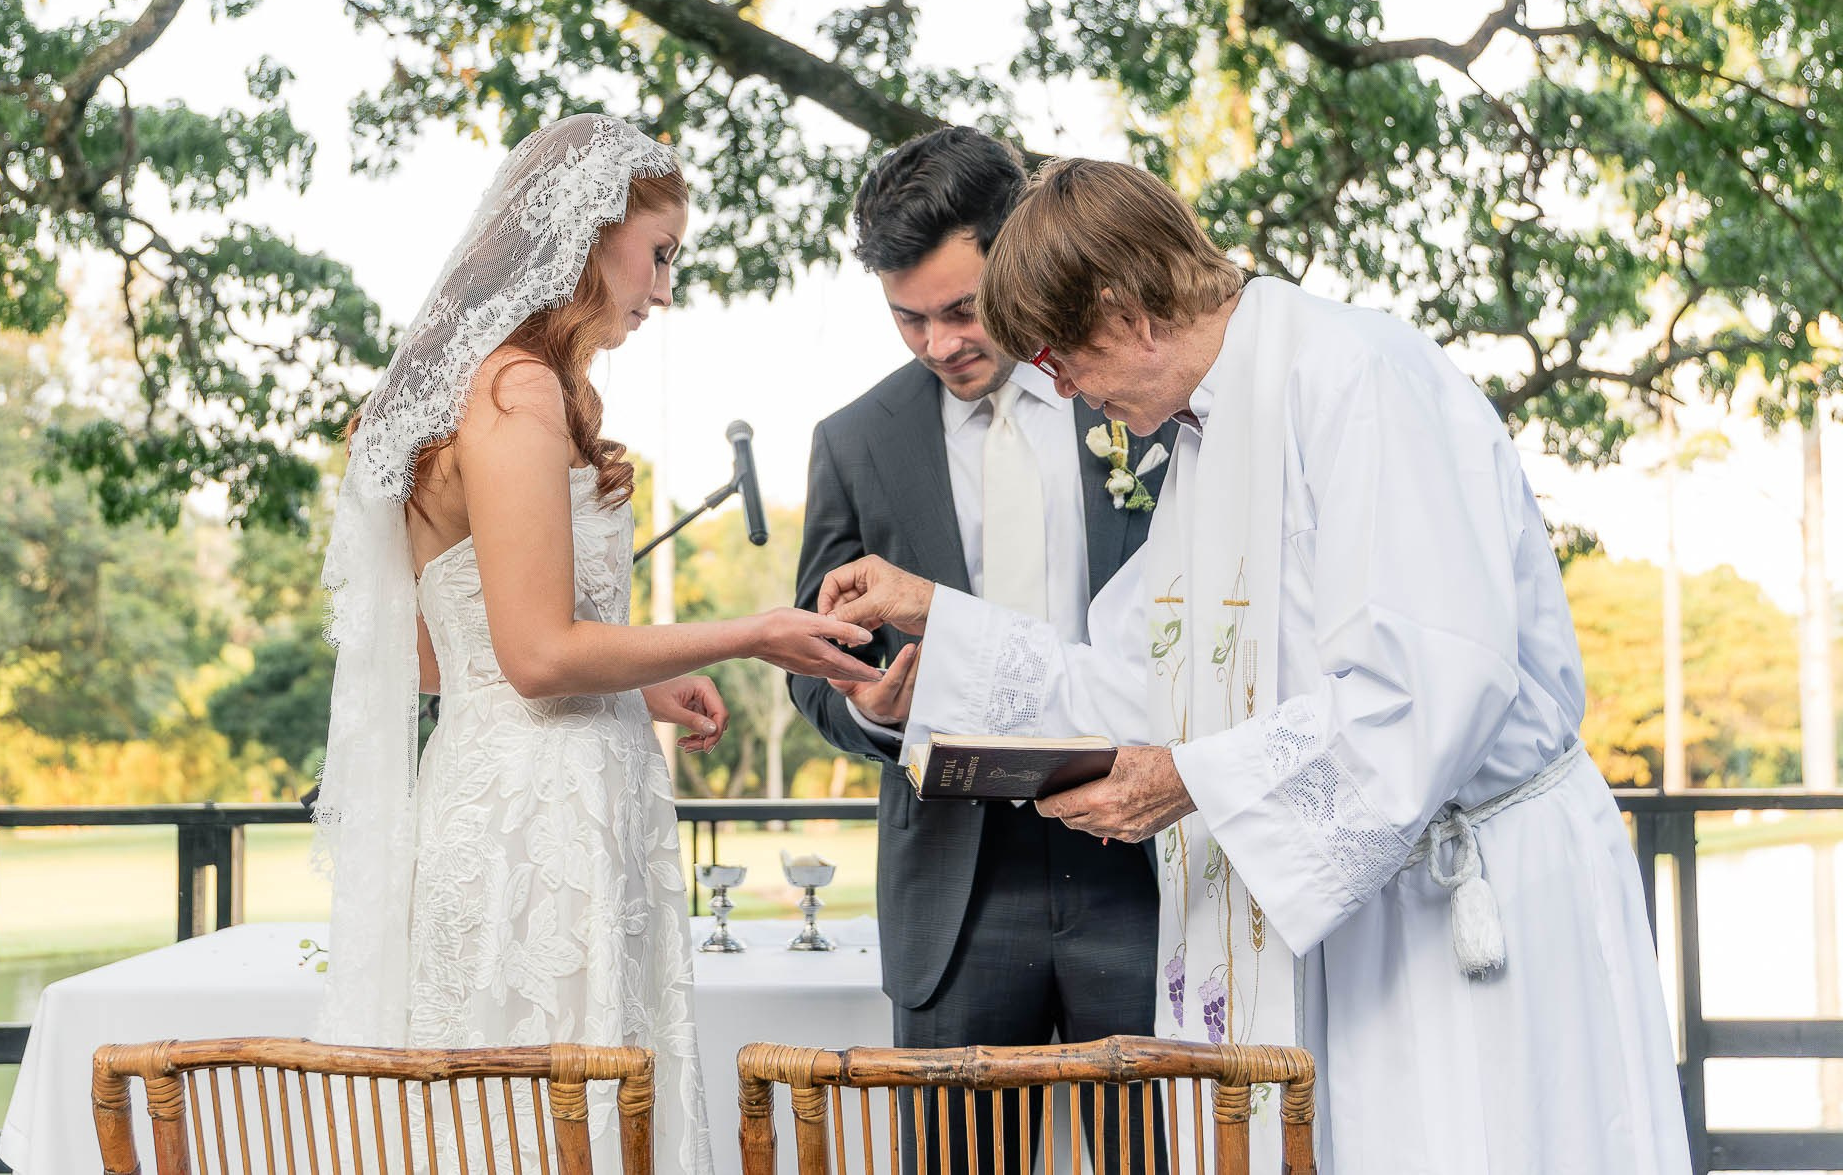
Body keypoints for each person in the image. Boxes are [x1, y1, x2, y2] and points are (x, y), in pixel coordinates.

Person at [820, 158, 1689, 1173]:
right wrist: (936, 621)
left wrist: (1189, 778)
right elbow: (1137, 678)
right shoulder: (1205, 435)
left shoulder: (1355, 378)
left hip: (1464, 900)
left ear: (1128, 312)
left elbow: (1425, 691)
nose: (1059, 389)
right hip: (1354, 923)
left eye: (1059, 358)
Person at [314, 114, 878, 1173]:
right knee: (554, 1116)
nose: (662, 288)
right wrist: (753, 631)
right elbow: (534, 658)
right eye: (658, 253)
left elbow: (447, 656)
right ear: (588, 232)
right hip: (542, 817)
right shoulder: (514, 388)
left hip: (515, 784)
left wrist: (637, 687)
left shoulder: (486, 388)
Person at [790, 127, 1171, 1173]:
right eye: (906, 318)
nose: (937, 344)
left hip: (1140, 859)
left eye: (960, 309)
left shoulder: (1138, 398)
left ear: (1019, 256)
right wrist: (867, 705)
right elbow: (811, 662)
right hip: (955, 887)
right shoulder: (854, 441)